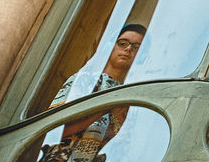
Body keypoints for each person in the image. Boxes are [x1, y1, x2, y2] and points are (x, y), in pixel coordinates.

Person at [45, 24, 145, 162]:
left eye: (136, 48)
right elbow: (53, 130)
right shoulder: (85, 80)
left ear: (142, 56)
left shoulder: (132, 99)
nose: (128, 49)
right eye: (122, 43)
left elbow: (124, 150)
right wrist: (102, 109)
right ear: (109, 46)